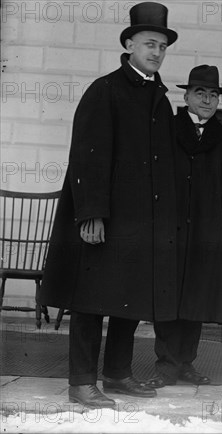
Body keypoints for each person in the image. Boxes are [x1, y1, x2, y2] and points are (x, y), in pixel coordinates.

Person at [38, 2, 179, 408]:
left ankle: (117, 374)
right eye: (150, 43)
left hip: (141, 223)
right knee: (91, 299)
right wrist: (91, 213)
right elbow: (88, 155)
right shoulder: (105, 90)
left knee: (129, 298)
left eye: (162, 46)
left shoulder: (158, 97)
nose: (156, 52)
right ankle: (81, 382)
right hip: (105, 219)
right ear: (130, 44)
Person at [145, 65, 222, 388]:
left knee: (195, 298)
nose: (207, 100)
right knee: (168, 298)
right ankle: (166, 365)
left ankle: (186, 364)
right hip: (169, 230)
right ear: (187, 96)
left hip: (206, 232)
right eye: (200, 93)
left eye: (212, 94)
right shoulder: (165, 130)